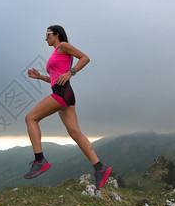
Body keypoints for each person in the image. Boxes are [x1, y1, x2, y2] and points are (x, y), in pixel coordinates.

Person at [23, 25, 112, 189]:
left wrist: (71, 72)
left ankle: (39, 160)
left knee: (30, 118)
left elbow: (85, 58)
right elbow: (56, 77)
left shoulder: (63, 46)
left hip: (62, 93)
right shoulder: (57, 51)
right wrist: (40, 76)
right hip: (64, 92)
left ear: (56, 34)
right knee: (75, 133)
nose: (45, 38)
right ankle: (100, 168)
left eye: (48, 35)